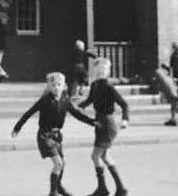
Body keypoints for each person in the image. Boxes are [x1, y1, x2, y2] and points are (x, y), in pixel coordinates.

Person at [12, 72, 96, 196]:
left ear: (64, 85)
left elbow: (77, 114)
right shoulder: (45, 101)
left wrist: (92, 122)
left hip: (56, 136)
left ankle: (59, 187)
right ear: (49, 86)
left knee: (62, 163)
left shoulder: (65, 100)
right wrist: (17, 128)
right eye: (53, 85)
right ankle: (53, 192)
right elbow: (29, 113)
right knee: (58, 164)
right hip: (45, 135)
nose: (56, 87)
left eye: (58, 85)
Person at [76, 57, 130, 196]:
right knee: (105, 157)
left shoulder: (109, 87)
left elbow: (124, 104)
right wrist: (77, 106)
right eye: (98, 69)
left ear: (108, 72)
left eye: (104, 70)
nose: (101, 72)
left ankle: (103, 189)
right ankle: (120, 189)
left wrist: (125, 119)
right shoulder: (94, 85)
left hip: (107, 122)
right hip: (99, 121)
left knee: (95, 156)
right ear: (94, 71)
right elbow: (90, 100)